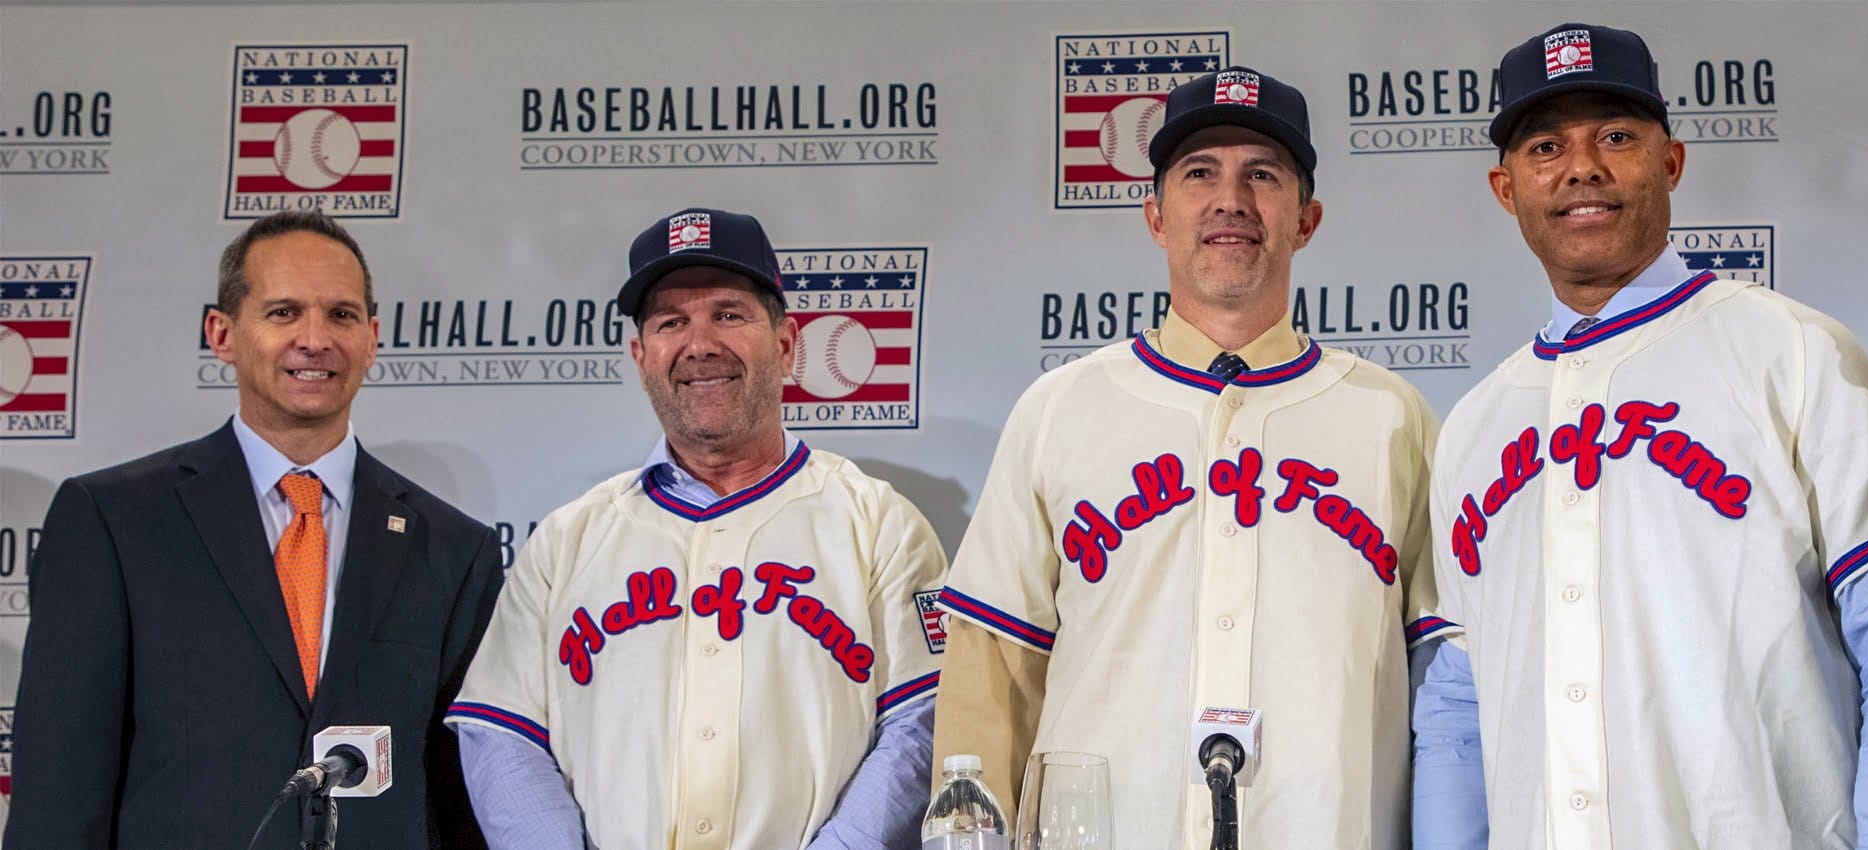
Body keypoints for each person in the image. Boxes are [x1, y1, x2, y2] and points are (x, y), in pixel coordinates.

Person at [1412, 22, 1868, 849]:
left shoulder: (1794, 352)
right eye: (1546, 146)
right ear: (1507, 189)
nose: (1583, 166)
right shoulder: (1475, 424)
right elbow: (1455, 707)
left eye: (1615, 136)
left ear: (1671, 162)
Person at [933, 67, 1446, 848]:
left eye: (1262, 175)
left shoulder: (1391, 417)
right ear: (1155, 216)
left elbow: (1445, 687)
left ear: (1306, 219)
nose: (1229, 199)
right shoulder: (1061, 407)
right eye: (1199, 173)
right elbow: (991, 672)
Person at [448, 208, 948, 849]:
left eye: (729, 314)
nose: (700, 343)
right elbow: (502, 731)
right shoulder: (567, 540)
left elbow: (923, 725)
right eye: (670, 322)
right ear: (640, 355)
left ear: (787, 342)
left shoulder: (878, 524)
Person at [5, 211, 504, 849]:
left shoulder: (455, 549)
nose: (315, 338)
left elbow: (464, 796)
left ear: (373, 337)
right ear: (222, 333)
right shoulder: (112, 521)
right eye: (283, 312)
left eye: (342, 315)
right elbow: (59, 789)